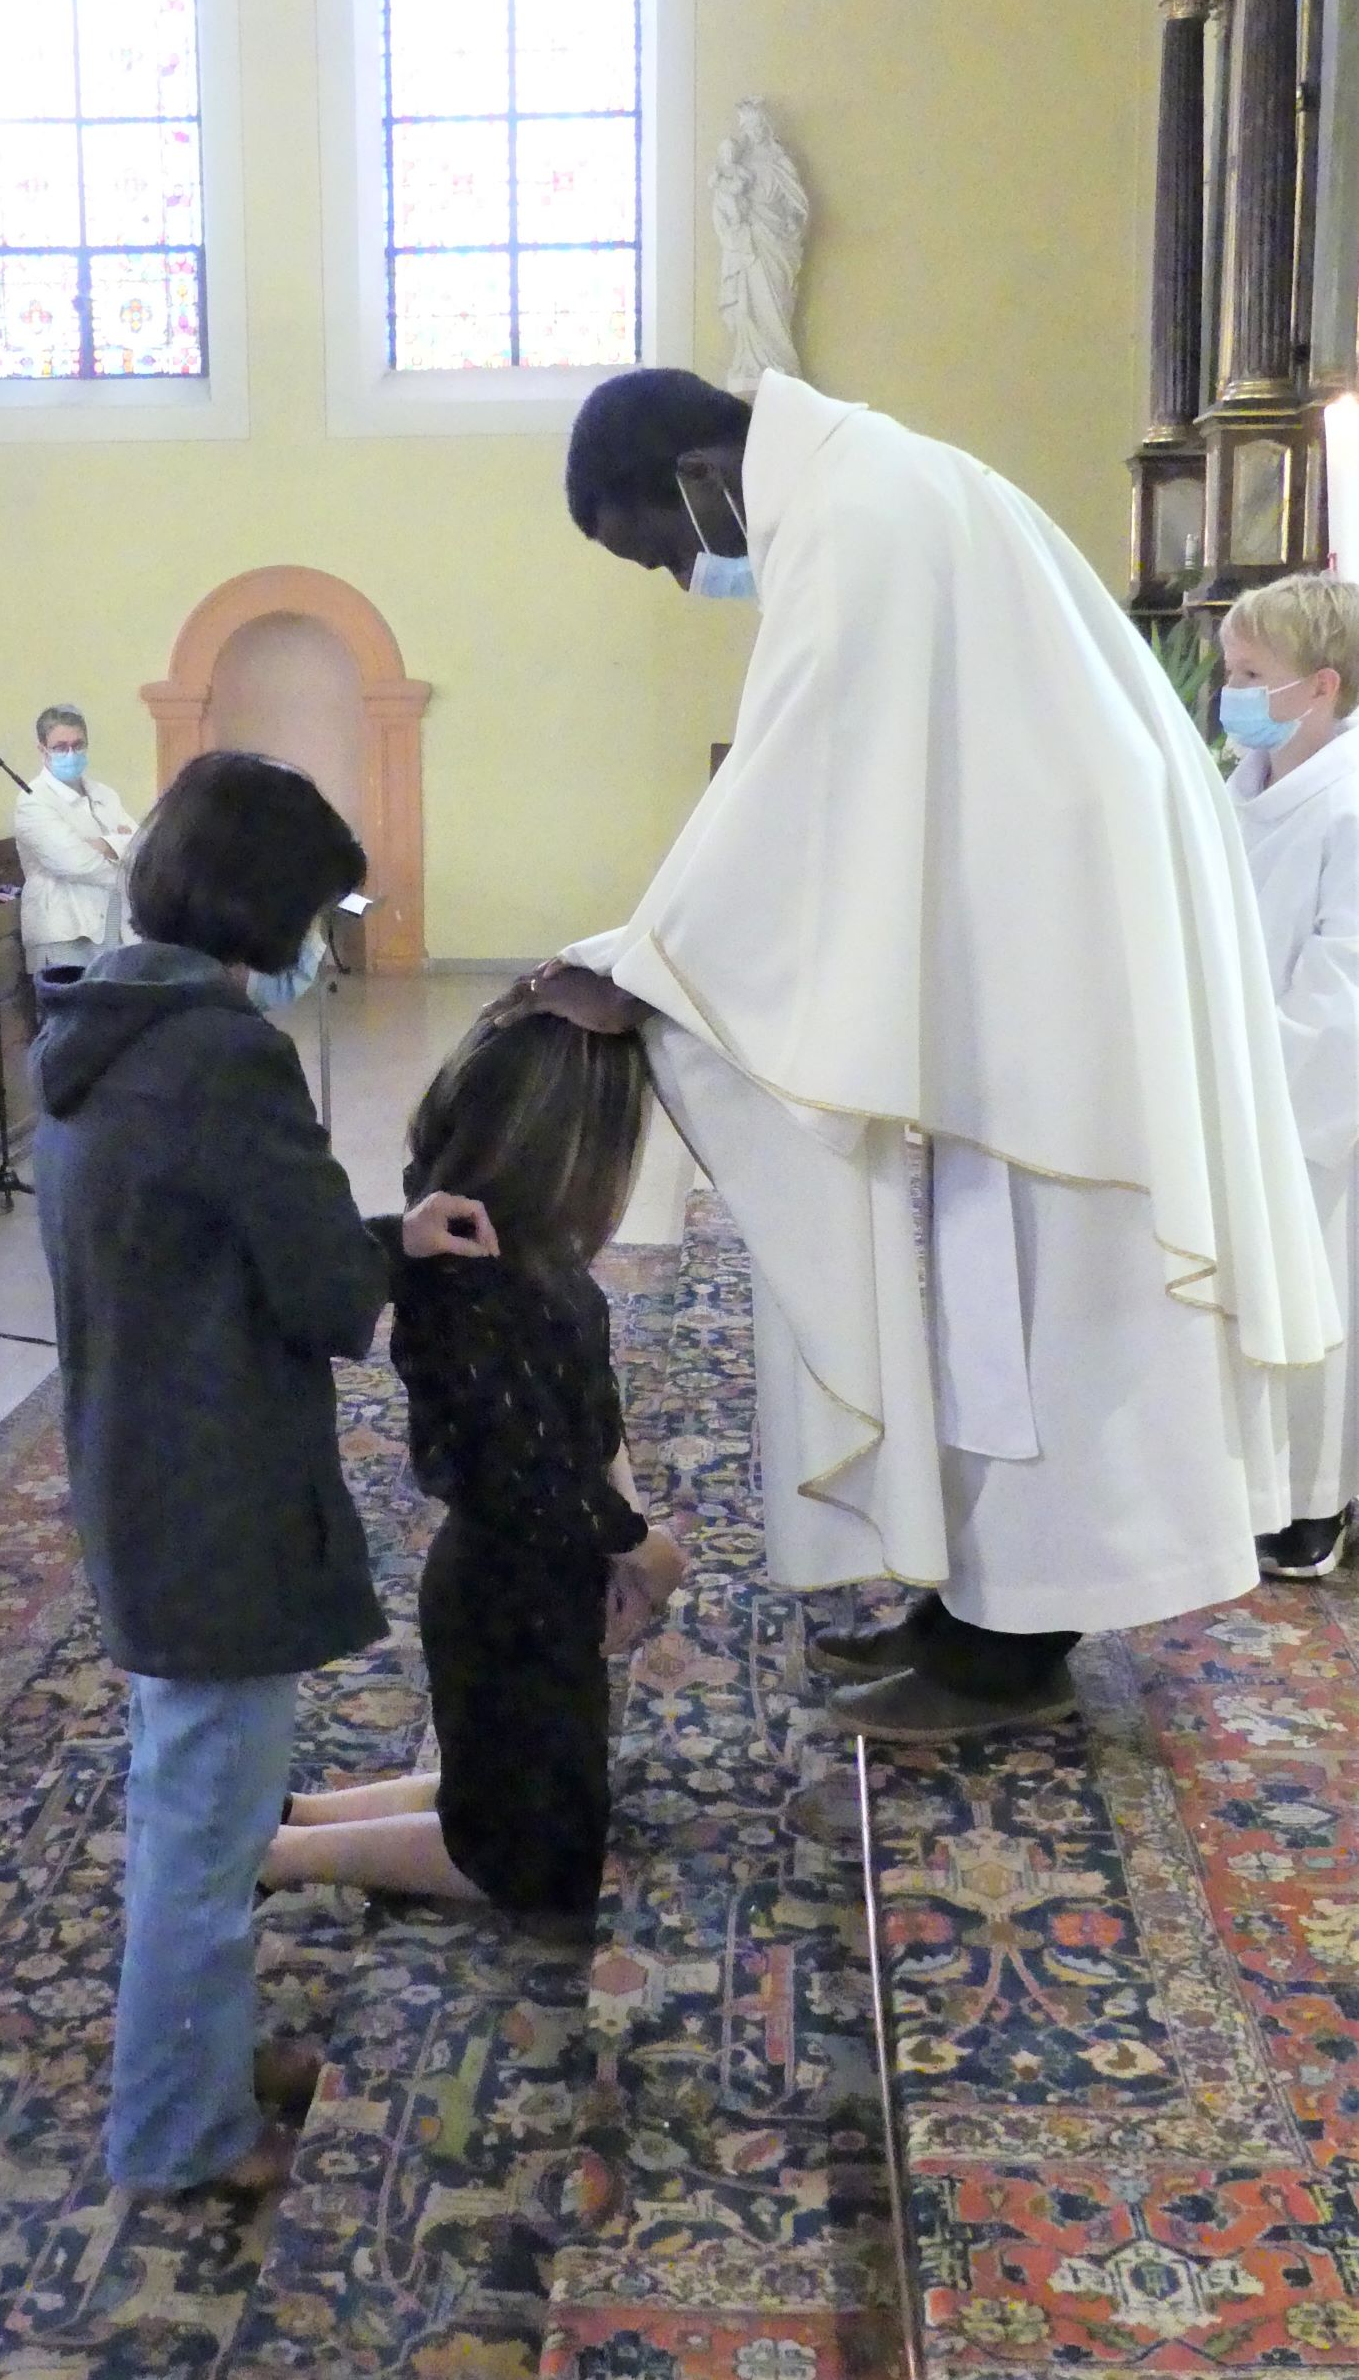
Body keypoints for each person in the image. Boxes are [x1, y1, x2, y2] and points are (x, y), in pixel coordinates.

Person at [501, 365, 1337, 1741]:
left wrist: (635, 966)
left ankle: (1016, 1646)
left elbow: (794, 791)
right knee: (984, 1304)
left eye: (659, 550)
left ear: (698, 475)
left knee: (1044, 1305)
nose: (683, 577)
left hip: (1049, 976)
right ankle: (975, 1604)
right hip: (1021, 948)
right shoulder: (878, 481)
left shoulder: (856, 514)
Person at [31, 749, 496, 2201]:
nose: (318, 944)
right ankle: (182, 2131)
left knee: (194, 1787)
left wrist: (387, 1233)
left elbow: (212, 1241)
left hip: (139, 1464)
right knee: (207, 1822)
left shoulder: (104, 1023)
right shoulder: (223, 1052)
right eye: (313, 913)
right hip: (215, 1488)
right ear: (261, 905)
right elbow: (317, 1287)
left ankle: (204, 2059)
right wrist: (383, 1252)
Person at [258, 1009, 686, 1917]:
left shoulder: (532, 1260)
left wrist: (622, 1532)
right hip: (505, 1595)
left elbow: (589, 1412)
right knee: (537, 1865)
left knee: (514, 1790)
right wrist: (644, 1547)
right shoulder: (481, 1289)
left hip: (536, 1578)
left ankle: (296, 1819)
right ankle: (280, 1855)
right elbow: (536, 1475)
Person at [1221, 574, 1359, 1581]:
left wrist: (1259, 1069)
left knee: (1314, 1282)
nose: (1229, 693)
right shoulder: (1237, 783)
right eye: (1229, 671)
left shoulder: (1348, 803)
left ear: (1320, 686)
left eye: (1249, 674)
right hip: (1230, 1072)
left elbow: (1343, 980)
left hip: (1304, 1094)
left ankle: (1313, 1500)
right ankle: (1244, 1486)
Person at [13, 703, 137, 974]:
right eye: (60, 747)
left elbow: (141, 844)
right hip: (64, 933)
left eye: (78, 745)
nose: (71, 753)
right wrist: (118, 847)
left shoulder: (105, 794)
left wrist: (99, 845)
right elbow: (75, 863)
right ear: (42, 750)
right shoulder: (33, 801)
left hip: (112, 926)